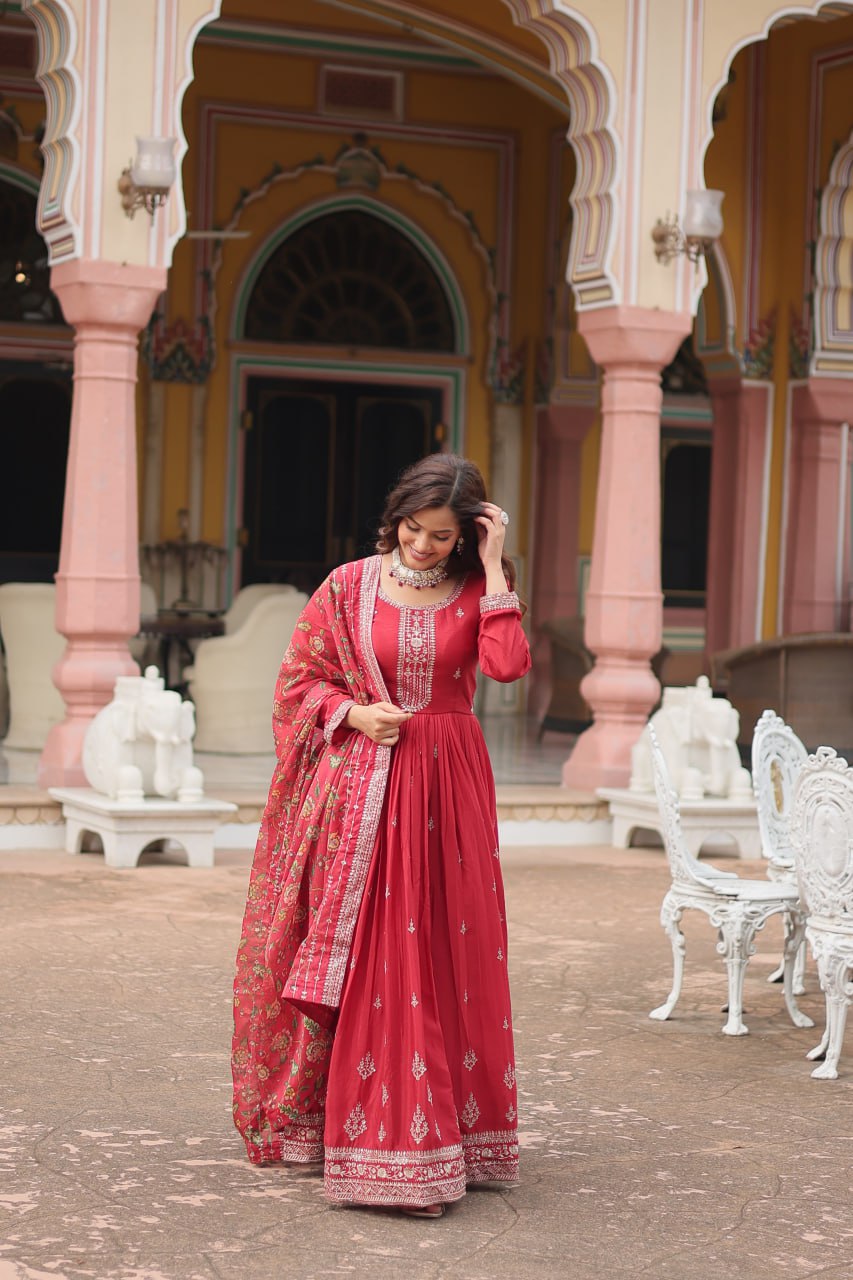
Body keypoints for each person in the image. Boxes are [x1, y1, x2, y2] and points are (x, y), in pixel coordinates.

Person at [231, 452, 531, 1217]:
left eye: (441, 536)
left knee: (446, 953)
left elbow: (504, 668)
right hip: (363, 787)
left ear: (466, 537)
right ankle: (380, 1145)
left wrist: (494, 570)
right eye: (413, 528)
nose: (423, 547)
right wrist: (354, 714)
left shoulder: (477, 589)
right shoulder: (348, 586)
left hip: (452, 787)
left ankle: (448, 1140)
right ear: (394, 516)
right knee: (379, 956)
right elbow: (299, 680)